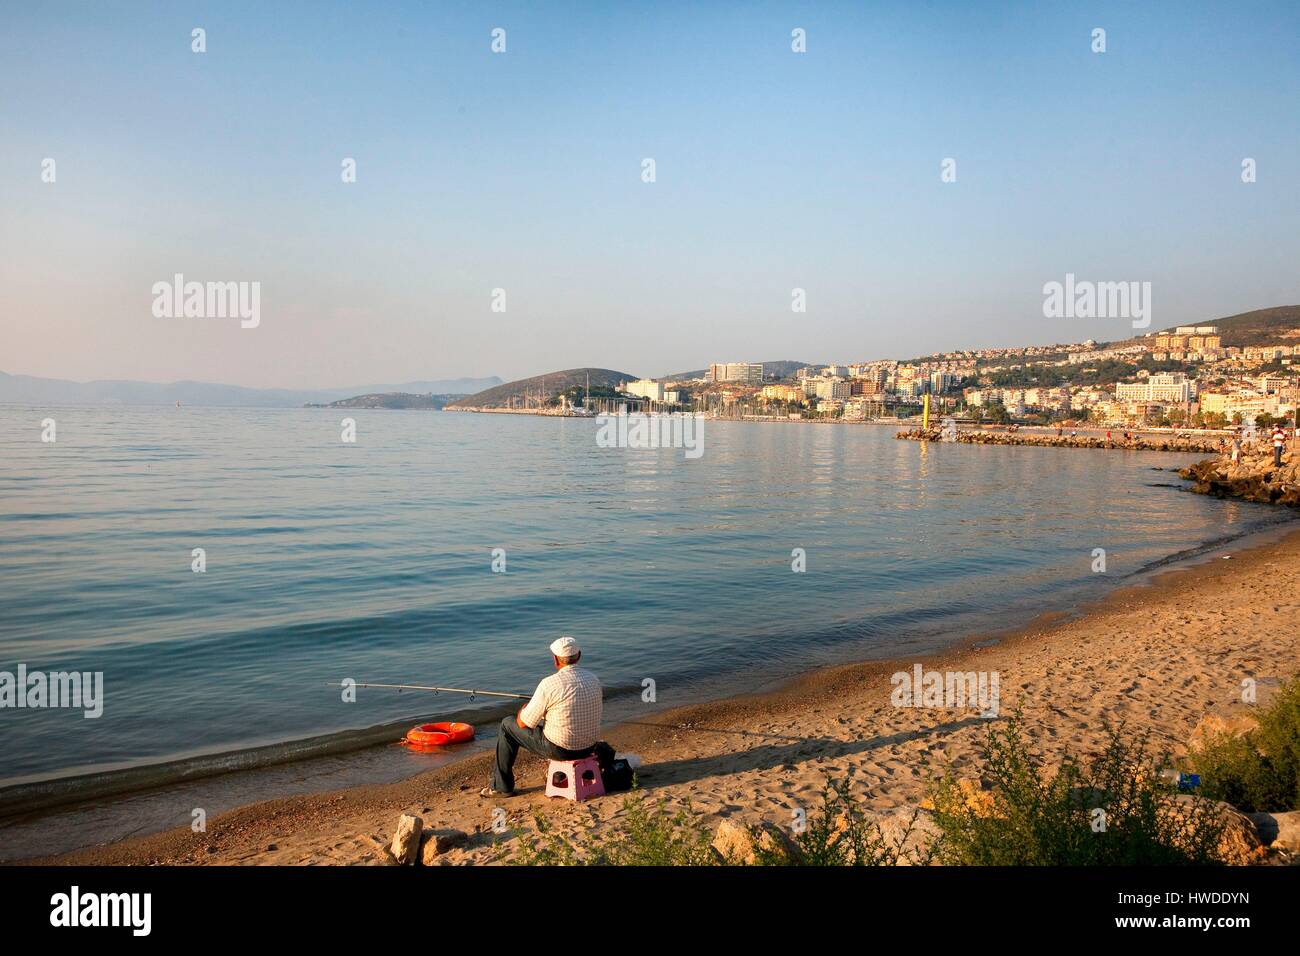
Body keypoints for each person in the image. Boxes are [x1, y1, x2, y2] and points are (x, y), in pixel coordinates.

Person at [482, 636, 603, 797]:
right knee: (555, 725)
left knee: (507, 724)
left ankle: (501, 787)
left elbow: (523, 723)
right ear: (579, 655)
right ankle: (559, 775)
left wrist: (524, 709)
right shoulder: (593, 679)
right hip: (589, 747)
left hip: (561, 750)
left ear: (555, 659)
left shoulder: (549, 684)